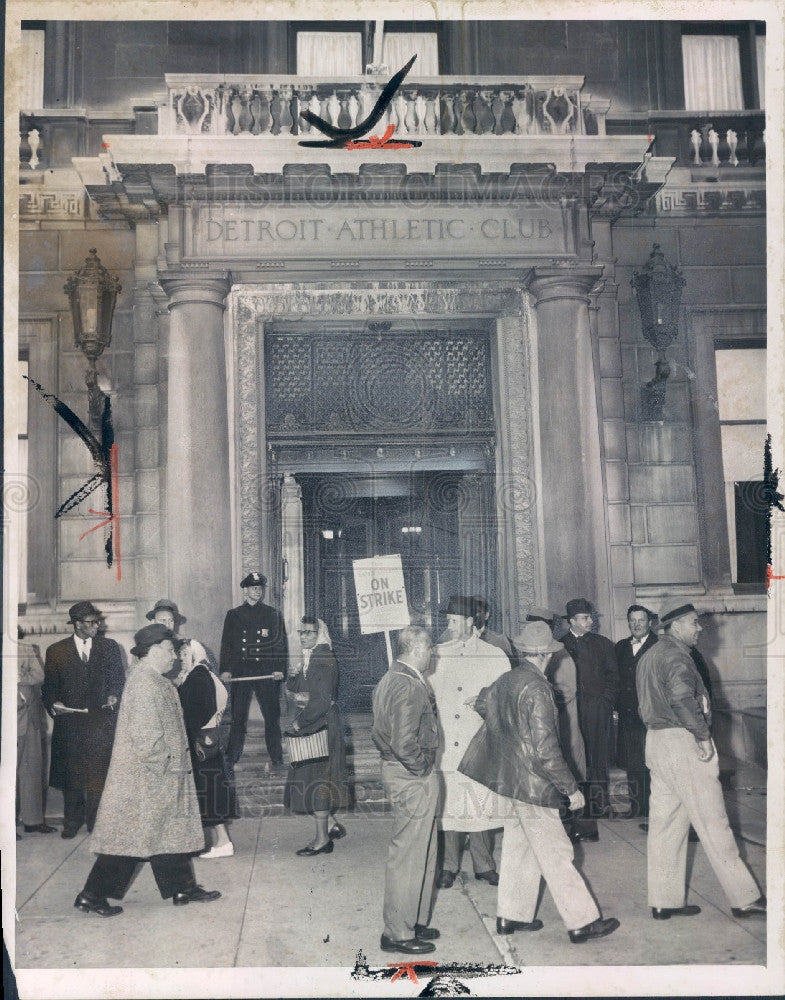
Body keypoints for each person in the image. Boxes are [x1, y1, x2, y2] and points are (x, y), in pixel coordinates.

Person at [459, 620, 620, 943]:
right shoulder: (538, 688)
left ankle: (511, 916)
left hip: (512, 782)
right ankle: (582, 922)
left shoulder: (506, 680)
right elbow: (547, 749)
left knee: (519, 849)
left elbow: (480, 702)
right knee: (558, 853)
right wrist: (571, 789)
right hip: (535, 786)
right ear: (547, 656)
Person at [75, 624, 220, 916]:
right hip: (146, 779)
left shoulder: (154, 679)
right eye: (169, 650)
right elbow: (146, 740)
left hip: (157, 776)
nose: (175, 656)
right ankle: (91, 895)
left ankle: (182, 887)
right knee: (128, 842)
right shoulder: (144, 684)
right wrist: (169, 767)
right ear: (153, 651)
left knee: (167, 833)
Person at [637, 603, 765, 921]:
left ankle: (664, 901)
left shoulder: (649, 655)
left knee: (666, 826)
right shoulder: (677, 656)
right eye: (694, 623)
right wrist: (702, 735)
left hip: (657, 742)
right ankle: (745, 898)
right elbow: (682, 698)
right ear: (677, 625)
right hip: (683, 742)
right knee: (714, 822)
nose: (699, 628)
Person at [430, 596, 509, 888]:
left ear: (468, 621)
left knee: (479, 805)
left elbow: (504, 696)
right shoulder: (437, 654)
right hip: (448, 743)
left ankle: (484, 864)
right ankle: (449, 866)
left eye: (453, 621)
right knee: (450, 806)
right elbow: (424, 691)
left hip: (478, 742)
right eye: (448, 620)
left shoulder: (494, 655)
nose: (449, 626)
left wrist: (484, 702)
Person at [372, 625, 440, 955]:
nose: (432, 655)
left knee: (423, 850)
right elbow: (403, 743)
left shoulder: (390, 678)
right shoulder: (409, 684)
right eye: (429, 649)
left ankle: (414, 919)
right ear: (414, 649)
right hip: (411, 776)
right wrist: (423, 769)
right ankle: (398, 931)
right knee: (409, 855)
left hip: (401, 772)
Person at [42, 602, 125, 838]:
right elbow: (49, 689)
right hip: (70, 724)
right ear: (77, 625)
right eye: (91, 622)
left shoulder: (109, 647)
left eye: (97, 621)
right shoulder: (56, 651)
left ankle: (96, 822)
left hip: (100, 722)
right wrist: (53, 704)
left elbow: (118, 680)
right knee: (72, 775)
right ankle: (72, 821)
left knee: (99, 774)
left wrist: (114, 695)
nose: (97, 626)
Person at [284, 617, 348, 855]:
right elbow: (297, 691)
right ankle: (330, 825)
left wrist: (299, 723)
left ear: (320, 634)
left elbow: (321, 701)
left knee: (318, 783)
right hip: (315, 723)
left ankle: (322, 840)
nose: (303, 637)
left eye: (309, 633)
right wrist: (293, 676)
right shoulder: (310, 655)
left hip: (321, 725)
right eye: (301, 632)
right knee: (312, 779)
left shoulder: (324, 657)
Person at [173, 633, 237, 858]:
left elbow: (202, 709)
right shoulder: (199, 673)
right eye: (179, 654)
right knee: (209, 792)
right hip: (205, 744)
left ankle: (223, 842)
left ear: (194, 653)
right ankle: (219, 841)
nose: (180, 658)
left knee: (209, 793)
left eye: (184, 653)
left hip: (200, 745)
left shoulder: (199, 675)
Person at [525, 608, 587, 841]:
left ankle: (570, 831)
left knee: (564, 779)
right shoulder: (535, 654)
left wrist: (541, 698)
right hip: (546, 729)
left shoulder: (561, 656)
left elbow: (568, 691)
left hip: (562, 727)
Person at [560, 597, 619, 837]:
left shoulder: (603, 644)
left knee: (598, 756)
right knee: (574, 758)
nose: (590, 621)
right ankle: (575, 808)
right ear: (572, 621)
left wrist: (605, 703)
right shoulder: (559, 646)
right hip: (570, 711)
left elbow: (613, 679)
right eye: (585, 618)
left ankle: (600, 803)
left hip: (597, 710)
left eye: (590, 617)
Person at [220, 572, 288, 767]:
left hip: (265, 672)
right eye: (253, 588)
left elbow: (280, 645)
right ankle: (232, 755)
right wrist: (226, 670)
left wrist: (279, 669)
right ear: (246, 590)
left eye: (260, 588)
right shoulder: (233, 615)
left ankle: (276, 756)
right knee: (238, 716)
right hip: (241, 672)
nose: (257, 591)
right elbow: (227, 645)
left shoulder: (272, 614)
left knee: (271, 716)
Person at [614, 604, 658, 824]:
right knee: (633, 763)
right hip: (628, 716)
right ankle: (637, 806)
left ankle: (653, 808)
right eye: (632, 620)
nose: (637, 624)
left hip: (651, 715)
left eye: (641, 620)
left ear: (649, 622)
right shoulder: (621, 647)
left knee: (652, 761)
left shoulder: (658, 645)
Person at [17, 636, 56, 835]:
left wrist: (20, 679)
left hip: (30, 721)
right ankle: (7, 823)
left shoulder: (24, 648)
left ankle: (33, 821)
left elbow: (40, 675)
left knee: (32, 773)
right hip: (9, 723)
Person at [471, 596, 518, 666]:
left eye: (477, 611)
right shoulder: (456, 637)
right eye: (470, 611)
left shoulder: (500, 641)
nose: (472, 615)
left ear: (486, 615)